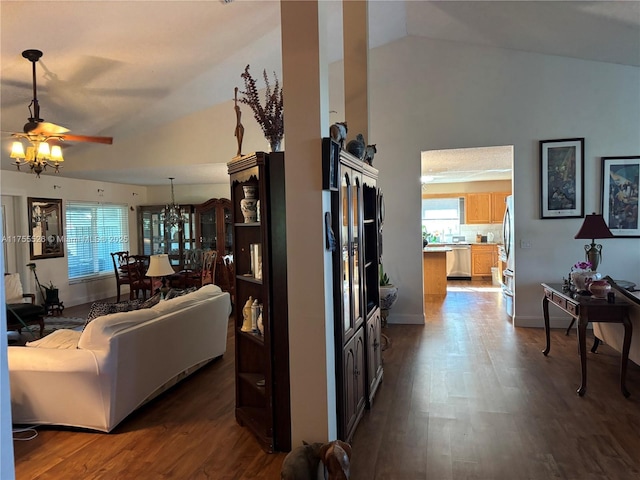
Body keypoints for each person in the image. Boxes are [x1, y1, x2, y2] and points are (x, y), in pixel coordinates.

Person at [234, 87, 244, 157]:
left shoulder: (239, 113)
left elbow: (238, 117)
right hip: (238, 125)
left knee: (240, 135)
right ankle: (239, 151)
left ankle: (239, 151)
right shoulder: (238, 112)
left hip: (239, 125)